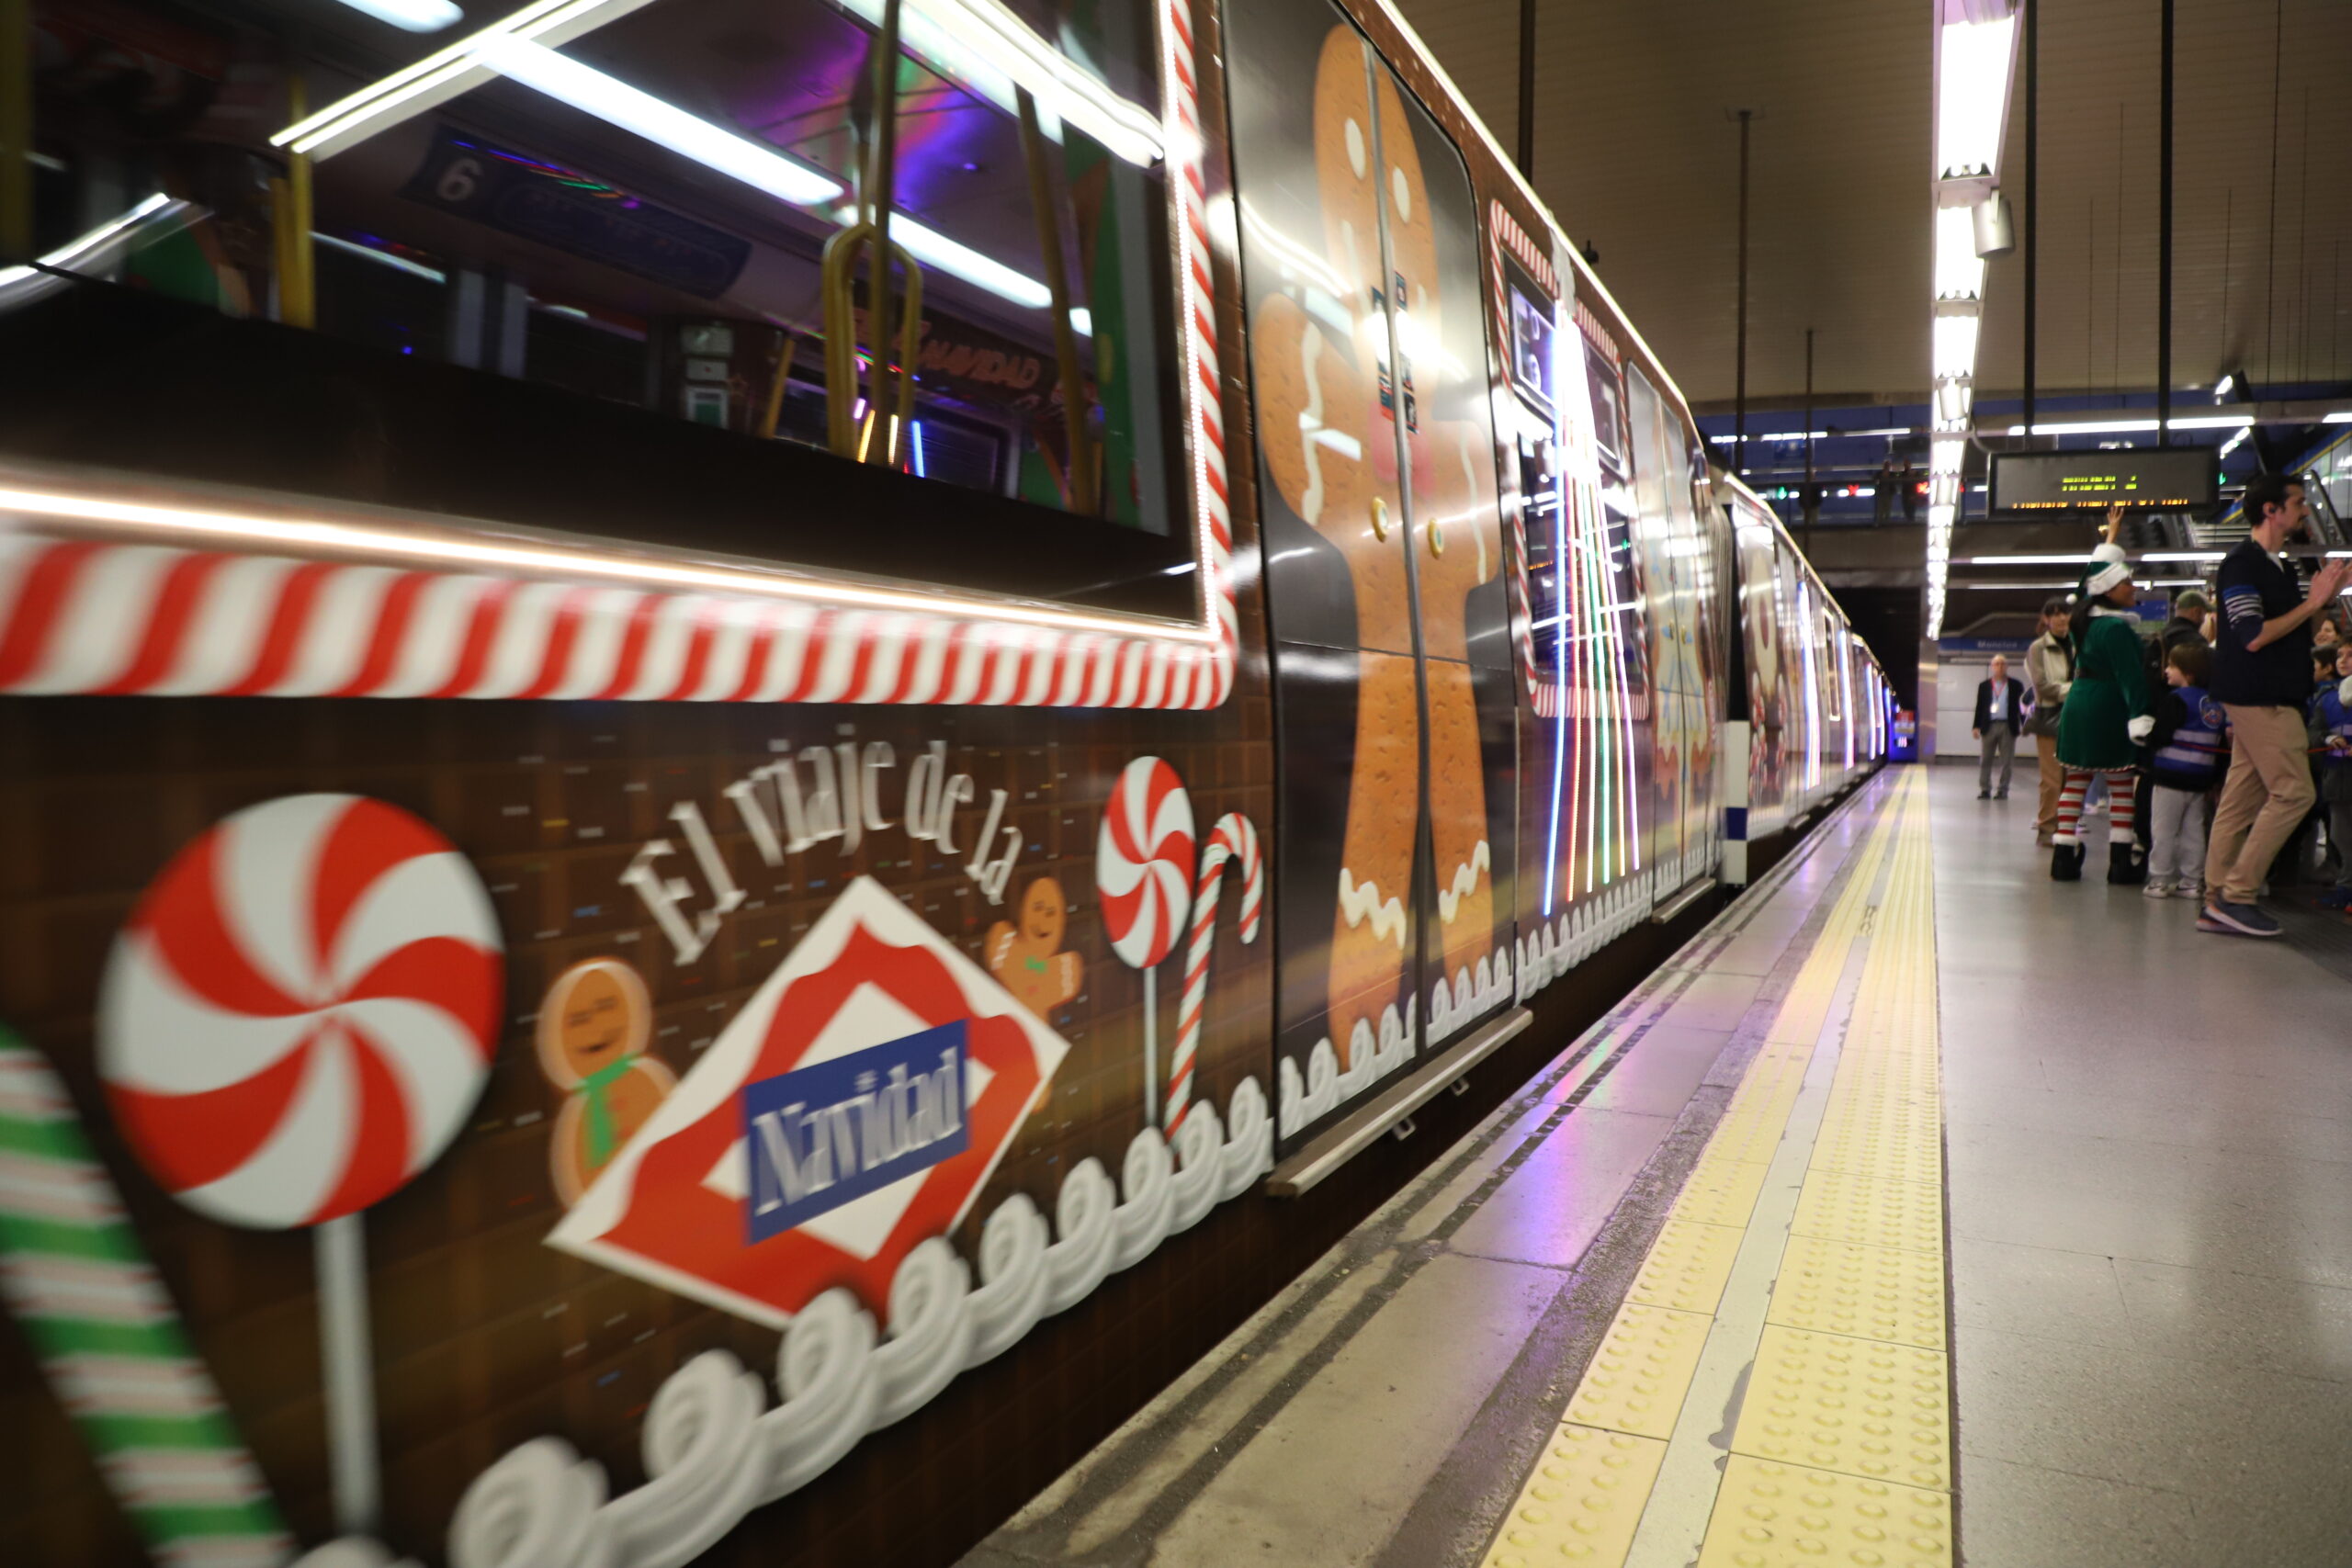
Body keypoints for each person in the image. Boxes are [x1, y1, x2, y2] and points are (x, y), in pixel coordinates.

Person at [2200, 472, 2352, 936]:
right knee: (2295, 792)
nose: (2306, 510)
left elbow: (2289, 631)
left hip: (2272, 694)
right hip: (2260, 696)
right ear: (2271, 509)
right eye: (2299, 502)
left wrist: (2318, 602)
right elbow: (2252, 637)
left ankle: (2215, 898)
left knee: (2241, 799)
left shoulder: (2280, 568)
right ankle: (2237, 893)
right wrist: (2315, 603)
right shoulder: (2242, 565)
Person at [2052, 543, 2153, 883]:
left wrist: (2107, 543)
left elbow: (2085, 587)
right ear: (2109, 591)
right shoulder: (2117, 629)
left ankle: (2064, 857)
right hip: (2109, 705)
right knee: (2121, 783)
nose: (2133, 588)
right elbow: (2130, 677)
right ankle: (2120, 863)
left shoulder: (2084, 622)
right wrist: (2140, 715)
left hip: (2078, 704)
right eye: (2127, 583)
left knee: (2075, 780)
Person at [2143, 639, 2228, 901]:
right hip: (2200, 778)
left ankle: (2159, 879)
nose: (2167, 670)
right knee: (2194, 831)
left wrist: (2146, 737)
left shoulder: (2176, 700)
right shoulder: (2214, 705)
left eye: (2172, 666)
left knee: (2164, 830)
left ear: (2188, 673)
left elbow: (2161, 735)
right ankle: (2192, 882)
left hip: (2170, 777)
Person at [2024, 596, 2074, 845]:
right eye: (2055, 614)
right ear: (2046, 620)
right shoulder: (2038, 648)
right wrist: (2076, 690)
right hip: (2050, 718)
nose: (2061, 619)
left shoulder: (2078, 644)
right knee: (2052, 778)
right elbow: (2042, 687)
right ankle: (2046, 827)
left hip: (2076, 716)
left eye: (2065, 613)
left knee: (2073, 777)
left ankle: (2067, 825)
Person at [2311, 647, 2352, 912]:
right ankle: (2346, 887)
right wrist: (2326, 739)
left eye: (2350, 655)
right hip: (2338, 777)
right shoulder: (2327, 699)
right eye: (2340, 655)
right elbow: (2313, 729)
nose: (2343, 661)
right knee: (2341, 836)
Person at [1973, 654, 2026, 799]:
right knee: (1985, 760)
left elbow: (2022, 707)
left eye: (2003, 664)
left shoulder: (2016, 685)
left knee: (2007, 761)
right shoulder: (1984, 686)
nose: (2000, 666)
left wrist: (2025, 724)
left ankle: (2003, 790)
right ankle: (1985, 789)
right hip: (1988, 726)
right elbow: (1980, 707)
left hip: (2008, 726)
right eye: (1997, 664)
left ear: (2007, 666)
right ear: (1992, 667)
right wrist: (1976, 726)